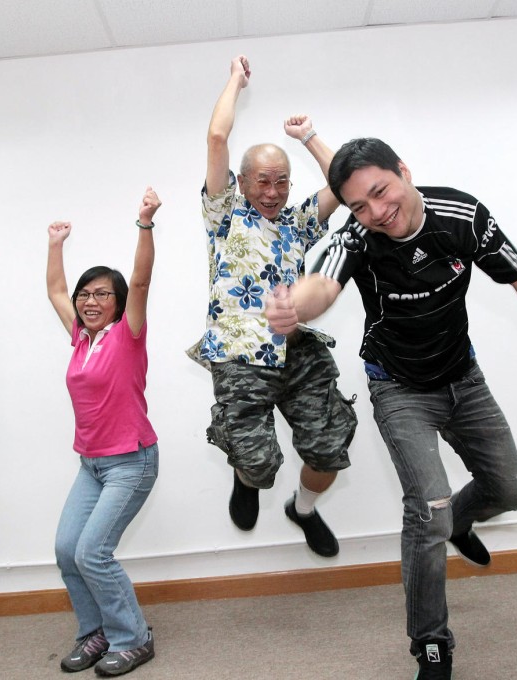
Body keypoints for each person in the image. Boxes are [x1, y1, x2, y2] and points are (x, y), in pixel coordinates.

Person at [266, 138, 517, 680]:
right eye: (359, 206)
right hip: (398, 389)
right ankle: (431, 645)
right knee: (427, 513)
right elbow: (322, 285)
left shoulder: (461, 215)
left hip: (462, 379)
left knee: (509, 490)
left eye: (380, 192)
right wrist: (291, 307)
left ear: (404, 171)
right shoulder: (358, 234)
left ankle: (461, 520)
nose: (376, 212)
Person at [189, 55, 357, 557]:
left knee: (329, 449)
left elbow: (348, 185)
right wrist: (235, 82)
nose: (273, 191)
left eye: (281, 180)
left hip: (297, 348)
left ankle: (303, 509)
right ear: (242, 184)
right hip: (241, 352)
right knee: (260, 465)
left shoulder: (299, 221)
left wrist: (309, 138)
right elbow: (217, 139)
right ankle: (246, 476)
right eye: (262, 181)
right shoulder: (224, 215)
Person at [46, 187, 162, 676]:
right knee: (66, 550)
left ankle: (133, 638)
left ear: (116, 303)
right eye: (85, 294)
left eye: (101, 294)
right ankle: (94, 633)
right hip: (91, 462)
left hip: (131, 461)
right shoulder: (80, 336)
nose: (90, 301)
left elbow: (139, 281)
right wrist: (56, 245)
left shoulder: (127, 334)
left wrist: (144, 223)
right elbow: (55, 291)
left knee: (94, 552)